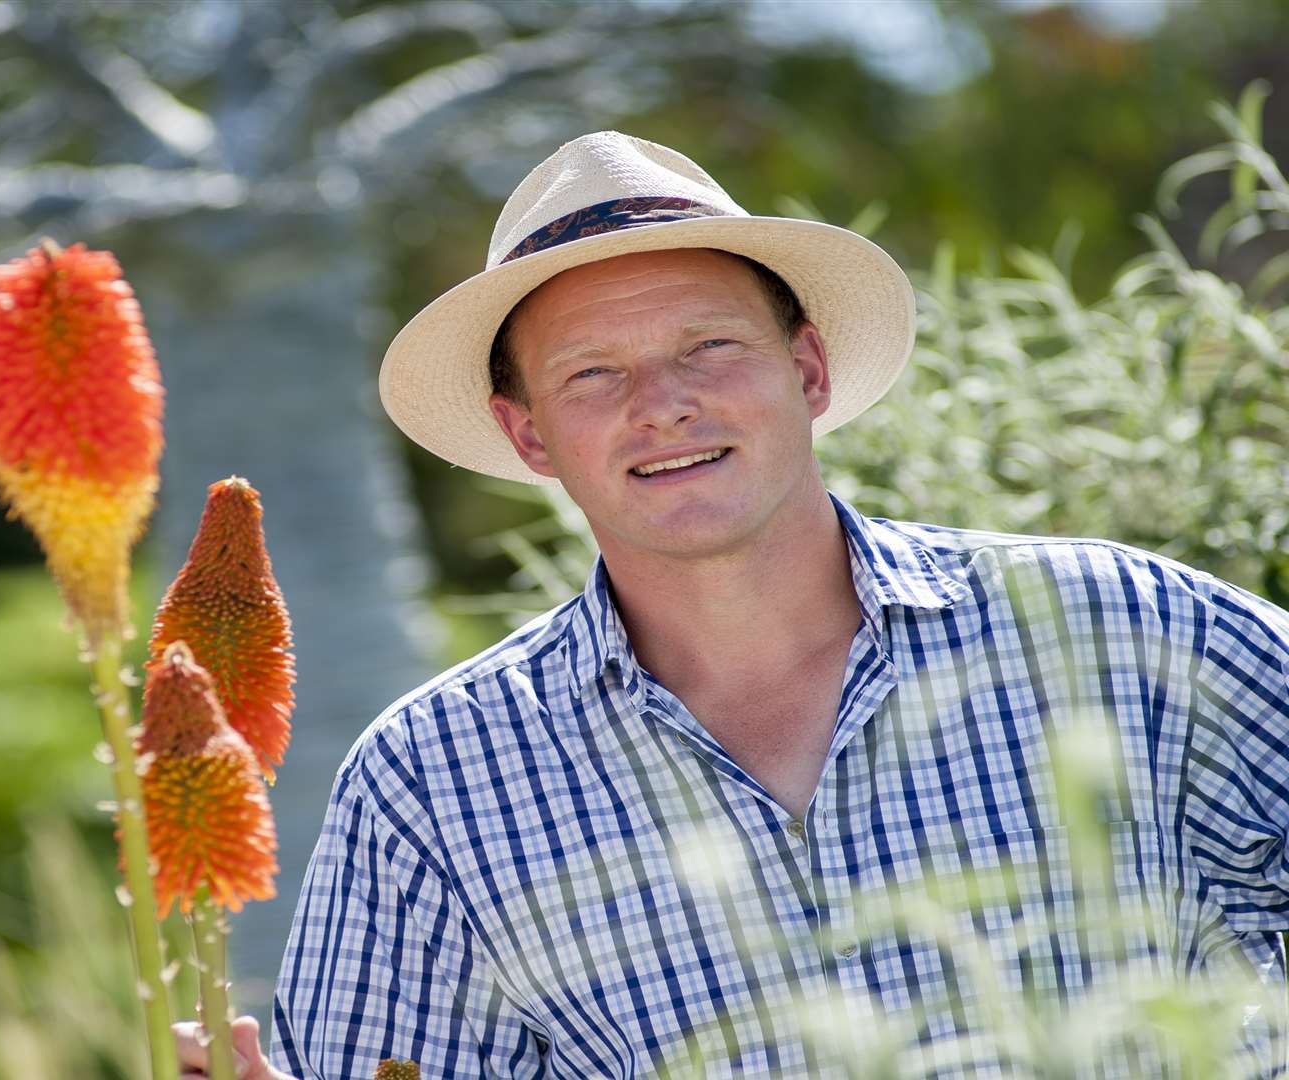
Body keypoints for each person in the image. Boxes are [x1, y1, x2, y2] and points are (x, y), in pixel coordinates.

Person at [174, 133, 1289, 1078]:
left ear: (806, 370)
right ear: (529, 437)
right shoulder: (433, 780)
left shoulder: (1125, 629)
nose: (664, 405)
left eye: (709, 345)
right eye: (591, 376)